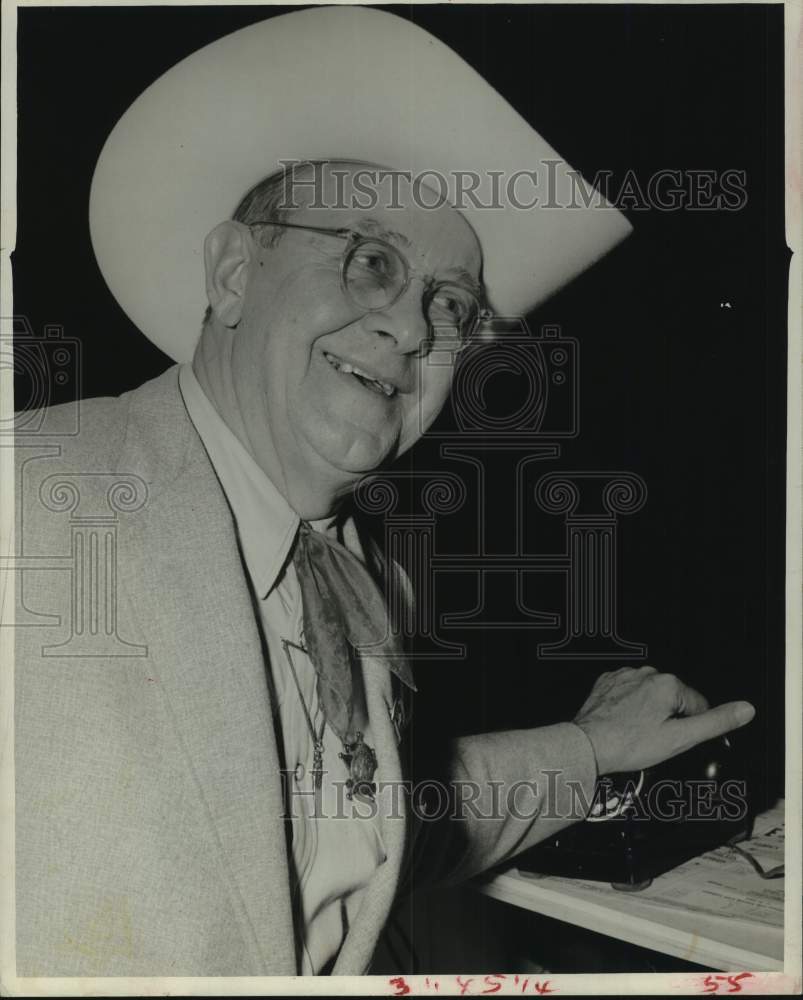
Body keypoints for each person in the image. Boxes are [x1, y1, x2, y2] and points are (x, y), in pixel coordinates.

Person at [13, 7, 755, 977]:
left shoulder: (360, 580)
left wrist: (587, 747)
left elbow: (350, 835)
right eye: (372, 263)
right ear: (233, 273)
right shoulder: (32, 501)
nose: (410, 330)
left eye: (447, 305)